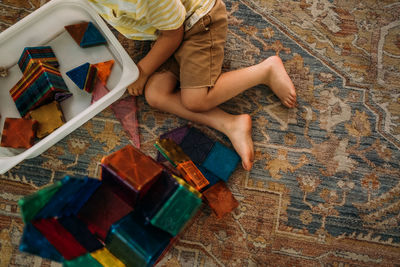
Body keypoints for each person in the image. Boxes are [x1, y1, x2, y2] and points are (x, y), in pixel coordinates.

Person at [88, 0, 296, 171]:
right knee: (155, 94)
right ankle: (229, 123)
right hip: (165, 31)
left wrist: (141, 72)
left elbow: (173, 35)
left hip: (199, 24)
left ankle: (265, 71)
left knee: (195, 100)